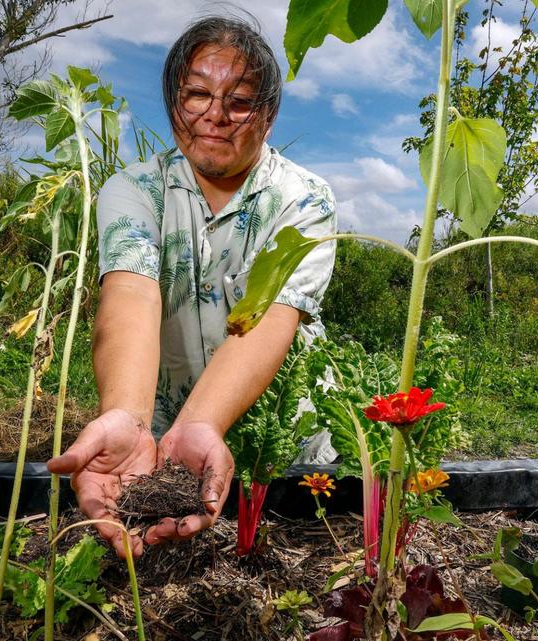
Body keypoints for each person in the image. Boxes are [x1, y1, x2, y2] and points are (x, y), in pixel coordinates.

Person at [46, 14, 337, 558]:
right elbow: (131, 293)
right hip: (163, 453)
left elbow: (274, 315)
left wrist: (203, 422)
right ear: (173, 103)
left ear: (269, 114)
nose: (215, 116)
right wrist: (129, 420)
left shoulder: (306, 199)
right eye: (197, 94)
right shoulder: (133, 190)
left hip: (282, 448)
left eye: (240, 100)